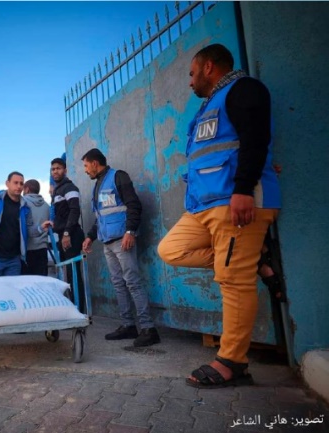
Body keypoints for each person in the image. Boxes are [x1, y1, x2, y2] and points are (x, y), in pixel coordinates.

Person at [157, 43, 281, 388]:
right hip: (203, 207)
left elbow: (256, 140)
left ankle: (232, 362)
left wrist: (244, 188)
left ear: (209, 67)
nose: (190, 82)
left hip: (237, 202)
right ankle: (252, 259)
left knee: (233, 280)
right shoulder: (210, 105)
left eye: (192, 73)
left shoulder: (244, 89)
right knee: (170, 250)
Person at [81, 148, 160, 347]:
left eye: (86, 165)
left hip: (122, 239)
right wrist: (90, 237)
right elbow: (102, 216)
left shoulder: (118, 176)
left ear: (95, 163)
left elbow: (134, 205)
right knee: (118, 284)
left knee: (132, 282)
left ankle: (149, 329)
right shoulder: (98, 185)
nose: (85, 170)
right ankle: (128, 326)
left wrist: (130, 231)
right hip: (107, 241)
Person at [42, 157, 86, 311]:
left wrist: (67, 233)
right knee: (68, 272)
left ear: (65, 170)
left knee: (74, 273)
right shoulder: (58, 190)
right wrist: (53, 225)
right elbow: (62, 215)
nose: (55, 171)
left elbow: (74, 211)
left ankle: (80, 310)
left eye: (58, 168)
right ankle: (73, 307)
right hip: (63, 235)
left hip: (72, 235)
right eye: (53, 169)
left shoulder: (69, 188)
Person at [22, 179, 50, 276]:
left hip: (27, 250)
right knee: (41, 284)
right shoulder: (46, 206)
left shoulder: (22, 203)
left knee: (26, 285)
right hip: (42, 249)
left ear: (27, 189)